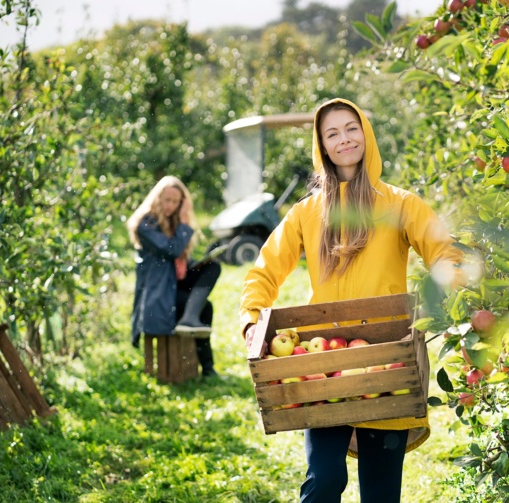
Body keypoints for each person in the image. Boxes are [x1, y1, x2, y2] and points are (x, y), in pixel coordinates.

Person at [239, 98, 463, 502]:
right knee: (323, 481)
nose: (344, 139)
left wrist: (438, 298)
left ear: (365, 133)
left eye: (351, 128)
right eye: (332, 133)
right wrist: (253, 318)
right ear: (321, 146)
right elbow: (266, 268)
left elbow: (445, 252)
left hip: (387, 360)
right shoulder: (307, 213)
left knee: (380, 493)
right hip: (323, 365)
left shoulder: (398, 204)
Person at [127, 175, 221, 378]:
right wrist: (185, 222)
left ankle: (207, 367)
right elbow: (171, 250)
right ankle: (207, 367)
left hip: (173, 284)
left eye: (175, 202)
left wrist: (197, 264)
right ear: (157, 198)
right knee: (206, 307)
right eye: (166, 199)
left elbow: (177, 261)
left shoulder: (173, 223)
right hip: (158, 294)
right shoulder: (145, 224)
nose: (170, 205)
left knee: (213, 267)